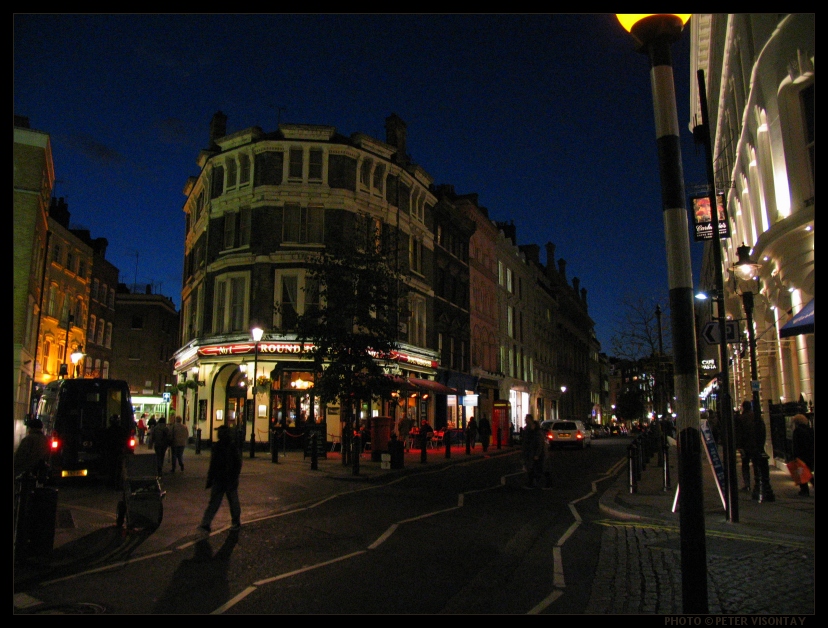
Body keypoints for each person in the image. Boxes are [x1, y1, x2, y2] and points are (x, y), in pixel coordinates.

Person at [199, 425, 242, 533]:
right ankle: (235, 521)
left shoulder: (218, 446)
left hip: (220, 477)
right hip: (228, 478)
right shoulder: (232, 446)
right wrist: (235, 475)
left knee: (215, 501)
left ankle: (206, 522)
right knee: (232, 501)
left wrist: (210, 478)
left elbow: (213, 464)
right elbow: (238, 463)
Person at [735, 401, 760, 493]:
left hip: (745, 445)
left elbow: (739, 433)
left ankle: (747, 484)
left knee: (745, 465)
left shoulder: (741, 418)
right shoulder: (756, 417)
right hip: (755, 444)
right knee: (756, 464)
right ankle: (758, 483)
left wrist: (739, 446)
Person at [791, 414, 814, 496]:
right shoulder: (810, 430)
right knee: (808, 472)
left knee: (801, 473)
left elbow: (796, 445)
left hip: (801, 455)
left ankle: (804, 490)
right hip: (810, 454)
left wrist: (795, 456)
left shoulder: (797, 431)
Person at [102, 414, 128, 489]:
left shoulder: (108, 430)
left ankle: (111, 483)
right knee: (118, 469)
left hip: (111, 452)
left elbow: (105, 441)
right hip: (118, 451)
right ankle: (117, 484)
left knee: (111, 468)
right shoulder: (121, 430)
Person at [521, 415, 545, 489]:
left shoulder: (536, 431)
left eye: (526, 419)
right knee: (530, 468)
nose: (525, 420)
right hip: (529, 452)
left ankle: (535, 483)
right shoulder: (527, 429)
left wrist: (537, 454)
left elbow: (539, 443)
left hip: (533, 452)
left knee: (535, 468)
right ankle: (532, 483)